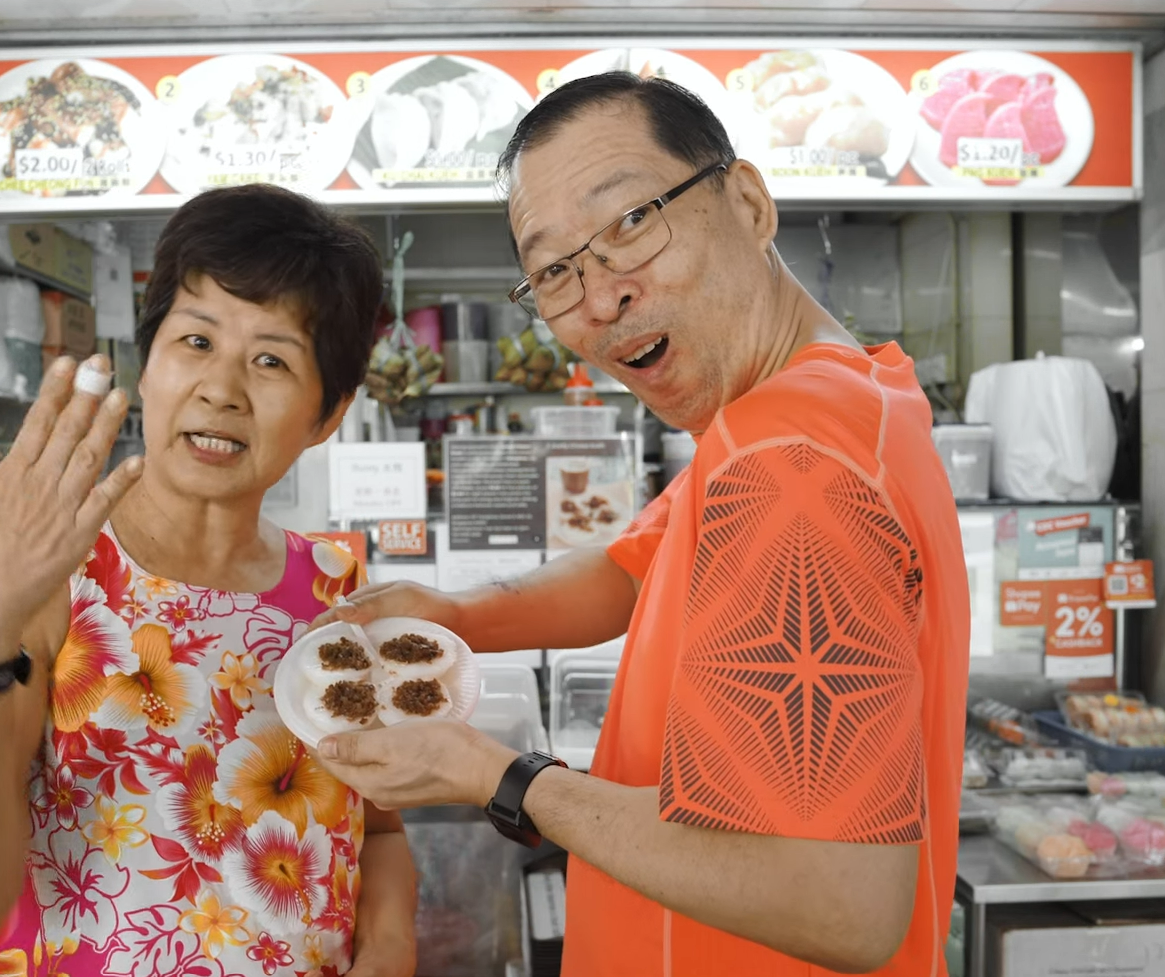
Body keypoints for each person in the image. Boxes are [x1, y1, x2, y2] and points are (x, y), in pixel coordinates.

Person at [310, 73, 970, 977]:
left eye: (629, 223)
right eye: (554, 270)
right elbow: (632, 568)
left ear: (746, 201)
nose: (600, 295)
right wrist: (453, 614)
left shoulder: (791, 466)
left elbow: (841, 901)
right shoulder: (824, 404)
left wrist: (498, 776)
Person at [0, 185, 418, 977]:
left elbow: (376, 828)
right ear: (150, 358)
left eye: (272, 359)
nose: (222, 387)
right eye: (195, 341)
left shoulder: (337, 590)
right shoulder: (55, 575)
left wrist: (390, 941)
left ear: (328, 413)